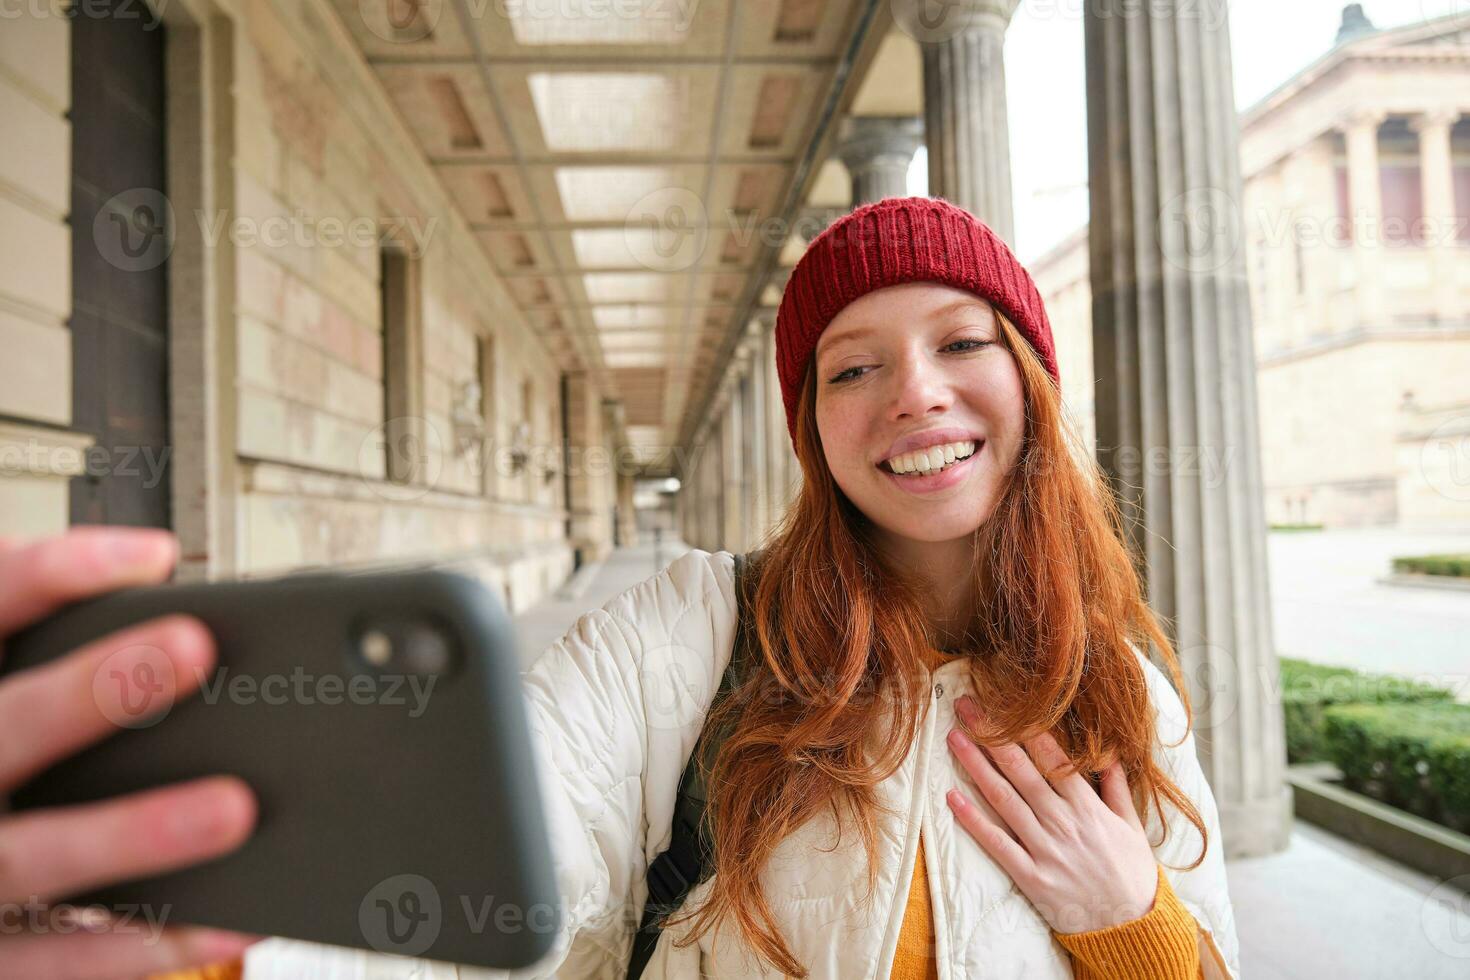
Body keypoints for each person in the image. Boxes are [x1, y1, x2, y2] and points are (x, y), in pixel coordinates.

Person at [4, 196, 1239, 979]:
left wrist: (1132, 925)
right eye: (853, 366)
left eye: (963, 342)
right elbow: (505, 866)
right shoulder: (699, 629)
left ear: (1031, 380)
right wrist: (205, 941)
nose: (915, 392)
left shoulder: (1121, 691)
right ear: (812, 426)